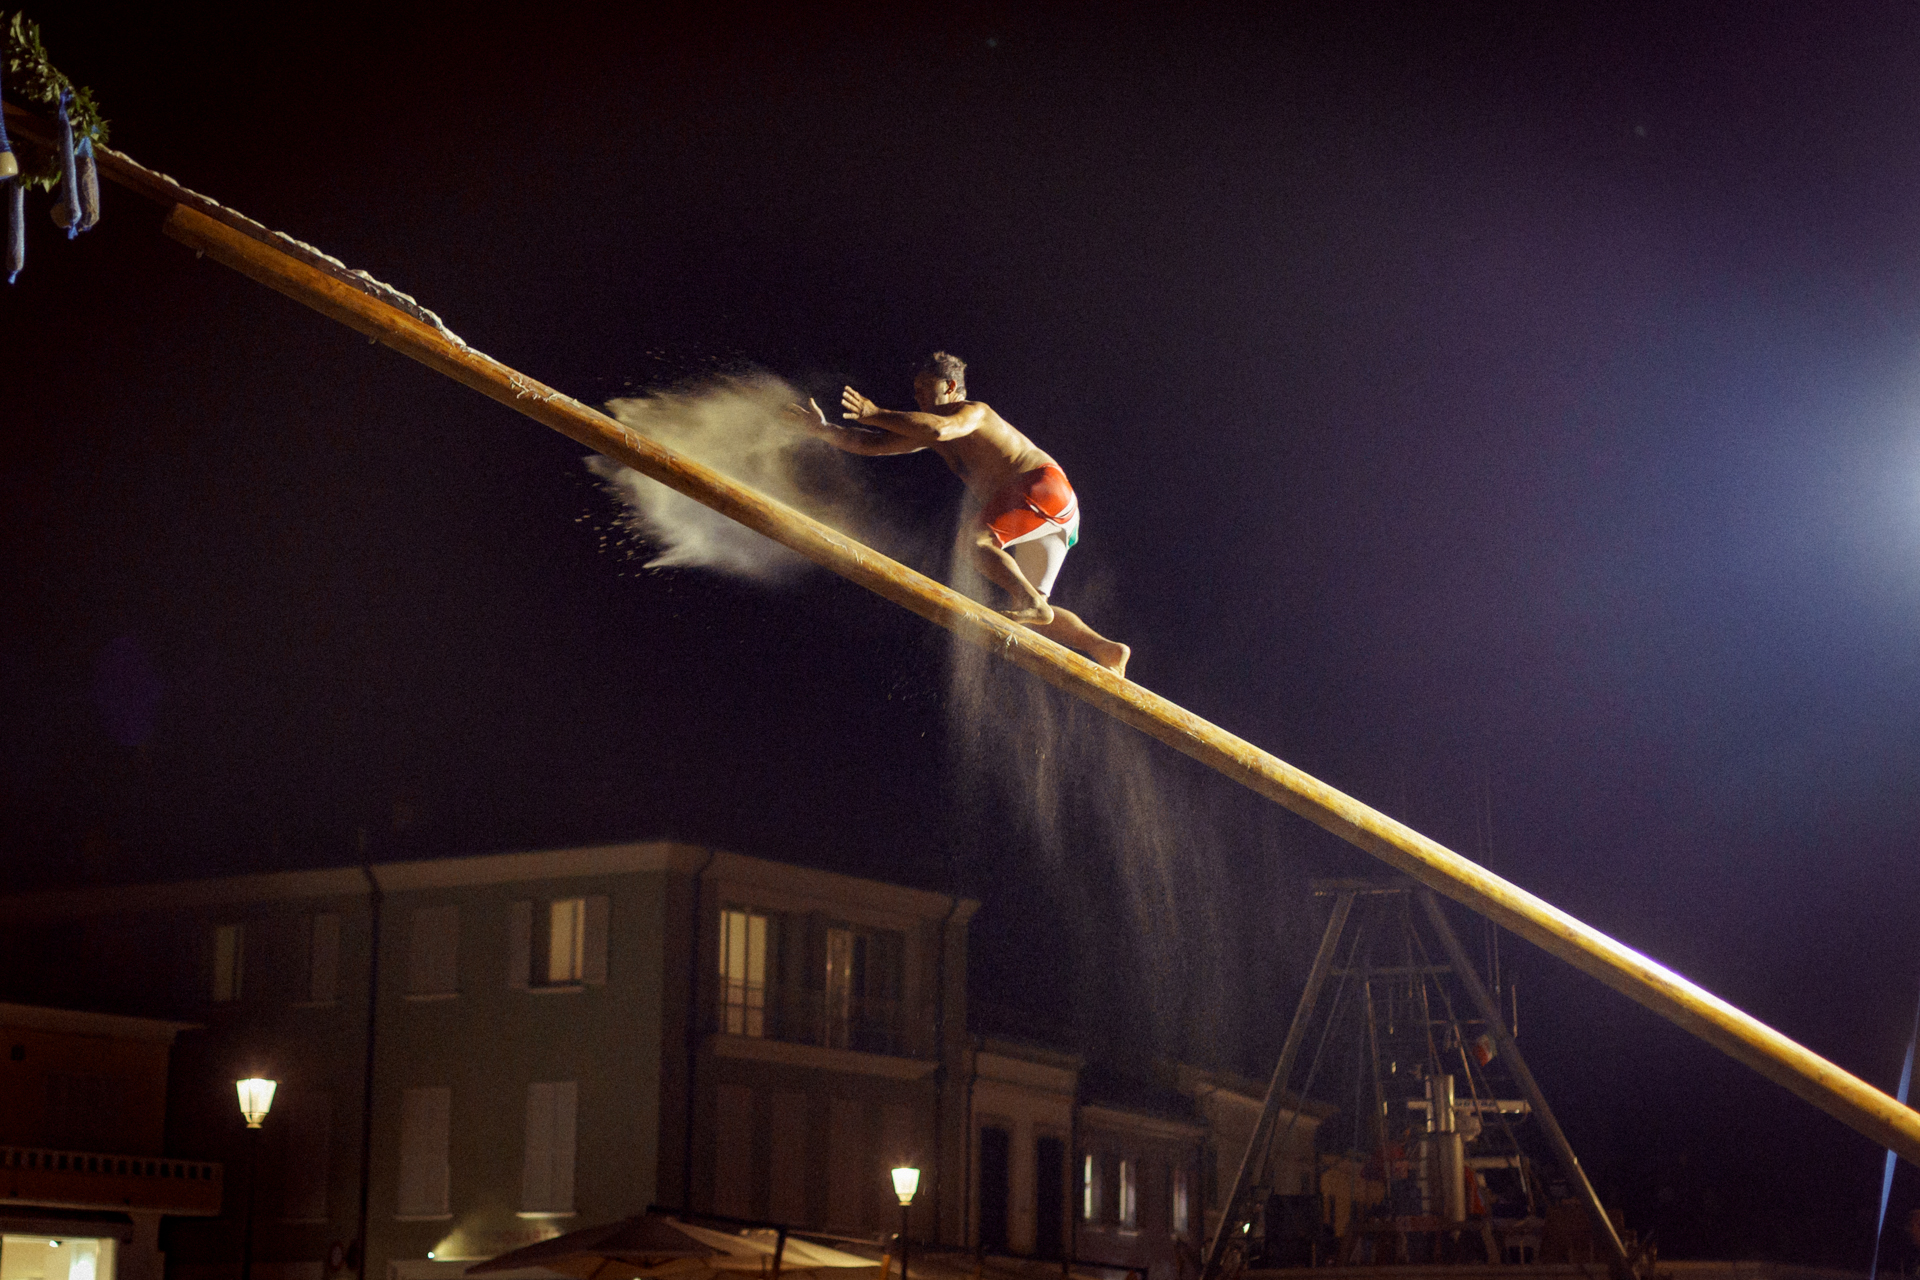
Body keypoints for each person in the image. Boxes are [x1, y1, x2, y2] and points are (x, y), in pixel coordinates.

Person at [789, 352, 1130, 676]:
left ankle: (1033, 604)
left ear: (950, 387)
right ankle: (1105, 648)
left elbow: (938, 429)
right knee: (1032, 605)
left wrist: (874, 411)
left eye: (926, 388)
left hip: (1043, 487)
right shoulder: (937, 434)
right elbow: (872, 444)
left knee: (974, 542)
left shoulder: (974, 413)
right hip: (1054, 512)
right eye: (915, 390)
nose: (918, 395)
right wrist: (823, 430)